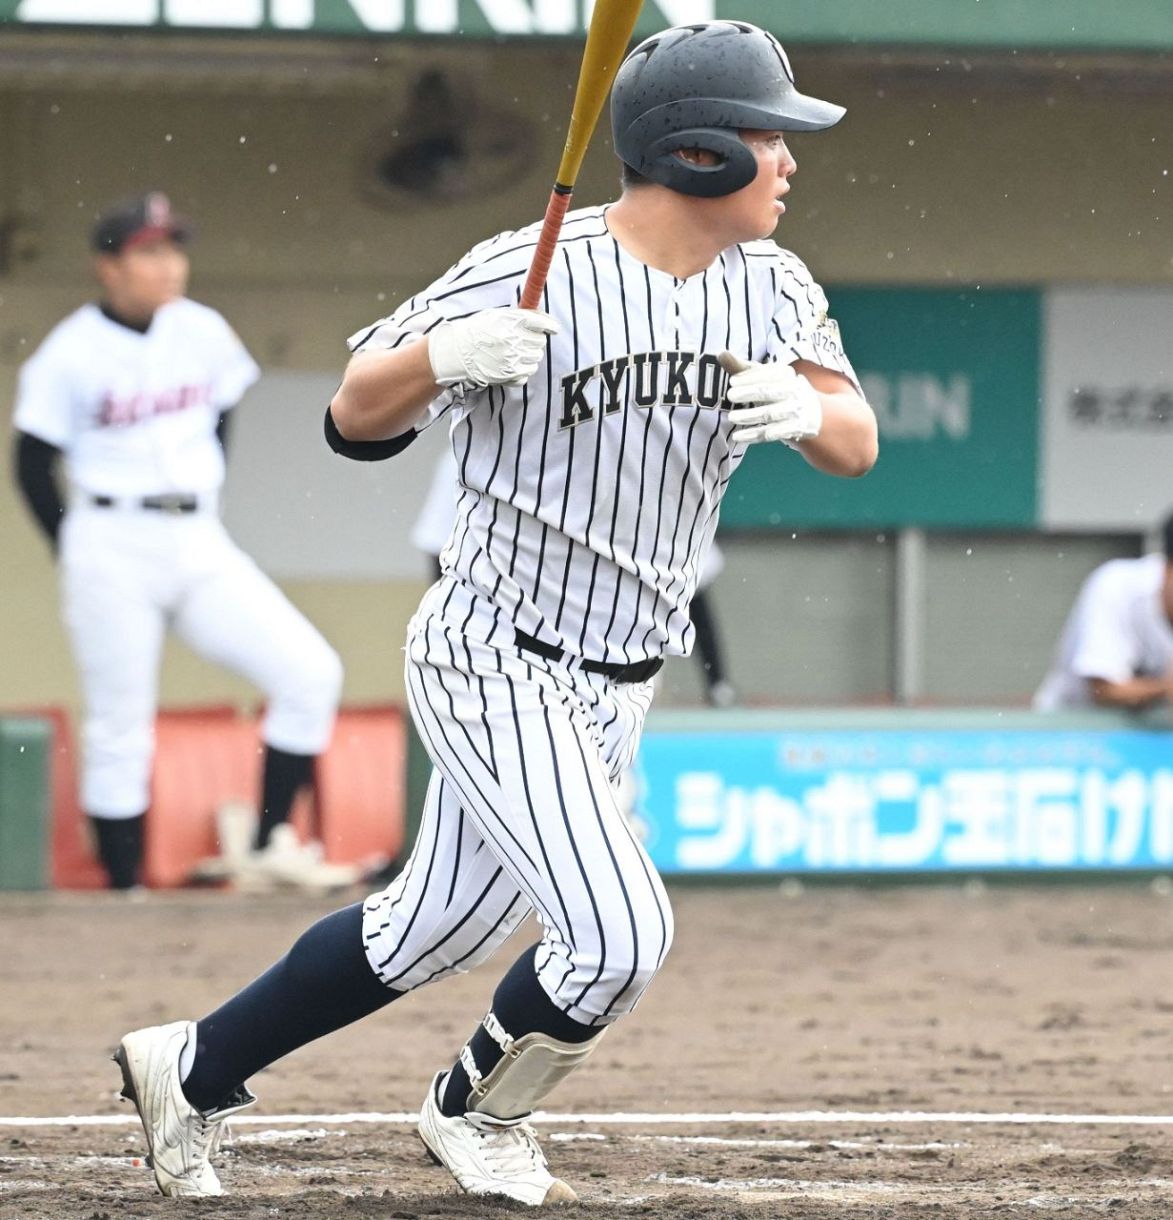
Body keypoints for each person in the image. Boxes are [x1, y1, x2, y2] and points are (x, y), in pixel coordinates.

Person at [111, 21, 877, 1204]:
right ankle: (473, 1107)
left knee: (435, 931)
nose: (790, 159)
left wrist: (809, 407)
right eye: (772, 136)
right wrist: (443, 355)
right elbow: (354, 415)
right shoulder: (532, 263)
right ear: (704, 152)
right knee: (619, 934)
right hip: (494, 650)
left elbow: (856, 442)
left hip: (623, 679)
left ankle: (193, 1065)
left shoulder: (773, 285)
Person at [11, 192, 344, 892]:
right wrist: (72, 544)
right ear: (108, 266)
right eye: (149, 251)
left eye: (173, 249)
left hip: (196, 534)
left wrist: (208, 490)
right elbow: (31, 461)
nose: (169, 265)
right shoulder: (70, 352)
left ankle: (267, 842)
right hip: (108, 533)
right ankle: (125, 889)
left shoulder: (203, 330)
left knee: (310, 671)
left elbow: (221, 417)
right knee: (119, 723)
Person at [414, 446, 737, 704]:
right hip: (513, 655)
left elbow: (696, 585)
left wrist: (717, 682)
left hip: (628, 663)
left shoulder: (654, 449)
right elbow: (437, 549)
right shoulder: (471, 448)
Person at [1033, 512, 1173, 712]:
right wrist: (1164, 687)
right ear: (1167, 566)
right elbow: (1102, 690)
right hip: (1073, 728)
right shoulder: (1117, 585)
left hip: (1155, 736)